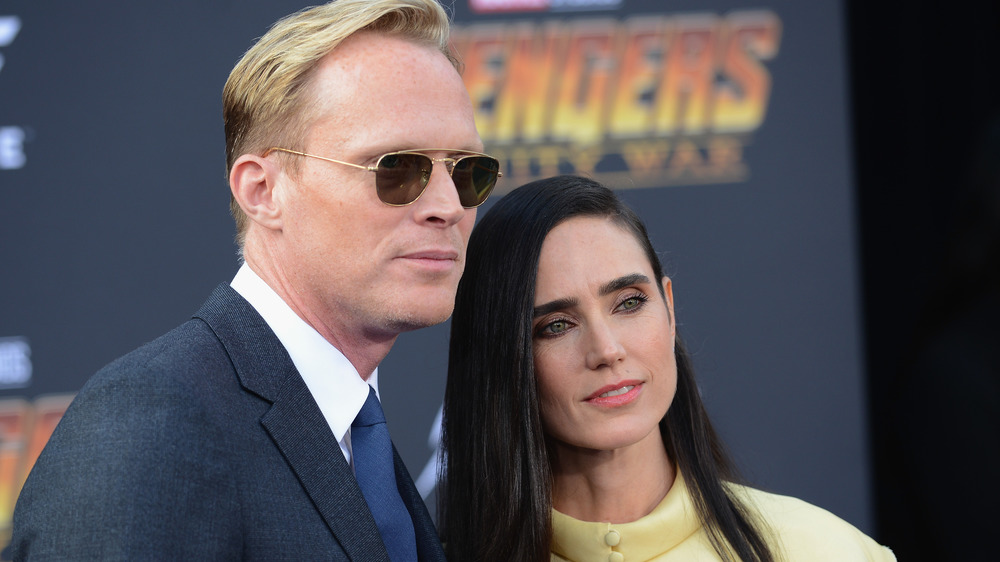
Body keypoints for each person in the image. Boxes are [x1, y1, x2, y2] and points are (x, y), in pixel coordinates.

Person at [11, 0, 500, 559]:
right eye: (395, 169)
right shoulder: (153, 422)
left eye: (467, 171)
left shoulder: (356, 431)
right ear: (263, 191)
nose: (447, 206)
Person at [439, 175, 894, 561]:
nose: (607, 349)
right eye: (556, 325)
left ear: (670, 308)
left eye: (630, 303)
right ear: (501, 354)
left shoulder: (824, 549)